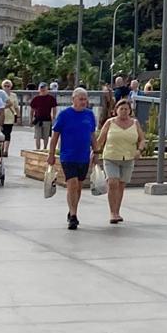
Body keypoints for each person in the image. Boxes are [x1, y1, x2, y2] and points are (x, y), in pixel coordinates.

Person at [51, 88, 97, 232]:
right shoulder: (64, 115)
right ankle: (73, 215)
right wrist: (51, 154)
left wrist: (96, 151)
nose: (84, 102)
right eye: (81, 99)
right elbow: (55, 136)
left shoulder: (89, 115)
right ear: (73, 99)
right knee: (72, 183)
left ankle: (72, 209)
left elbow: (92, 135)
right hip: (68, 155)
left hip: (83, 156)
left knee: (78, 186)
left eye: (85, 99)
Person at [93, 95, 143, 225]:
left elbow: (142, 139)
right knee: (113, 183)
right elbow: (100, 140)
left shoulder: (135, 123)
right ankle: (112, 213)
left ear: (130, 111)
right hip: (111, 156)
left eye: (126, 109)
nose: (124, 111)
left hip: (128, 157)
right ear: (116, 110)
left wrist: (139, 150)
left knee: (121, 185)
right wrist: (95, 152)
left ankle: (117, 210)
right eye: (121, 109)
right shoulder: (110, 123)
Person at [30, 83, 58, 149]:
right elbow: (32, 110)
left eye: (44, 89)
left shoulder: (51, 98)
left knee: (46, 136)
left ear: (47, 89)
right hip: (37, 119)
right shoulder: (36, 99)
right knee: (38, 136)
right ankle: (38, 149)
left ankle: (45, 148)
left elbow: (54, 108)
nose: (43, 90)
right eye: (41, 89)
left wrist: (53, 117)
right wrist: (30, 120)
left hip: (47, 119)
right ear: (39, 89)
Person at [0, 78, 19, 144]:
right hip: (0, 116)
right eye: (5, 86)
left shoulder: (14, 95)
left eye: (8, 86)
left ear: (11, 87)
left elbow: (16, 107)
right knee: (0, 133)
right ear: (2, 87)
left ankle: (5, 150)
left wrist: (18, 117)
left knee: (7, 133)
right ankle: (1, 147)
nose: (6, 87)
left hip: (10, 117)